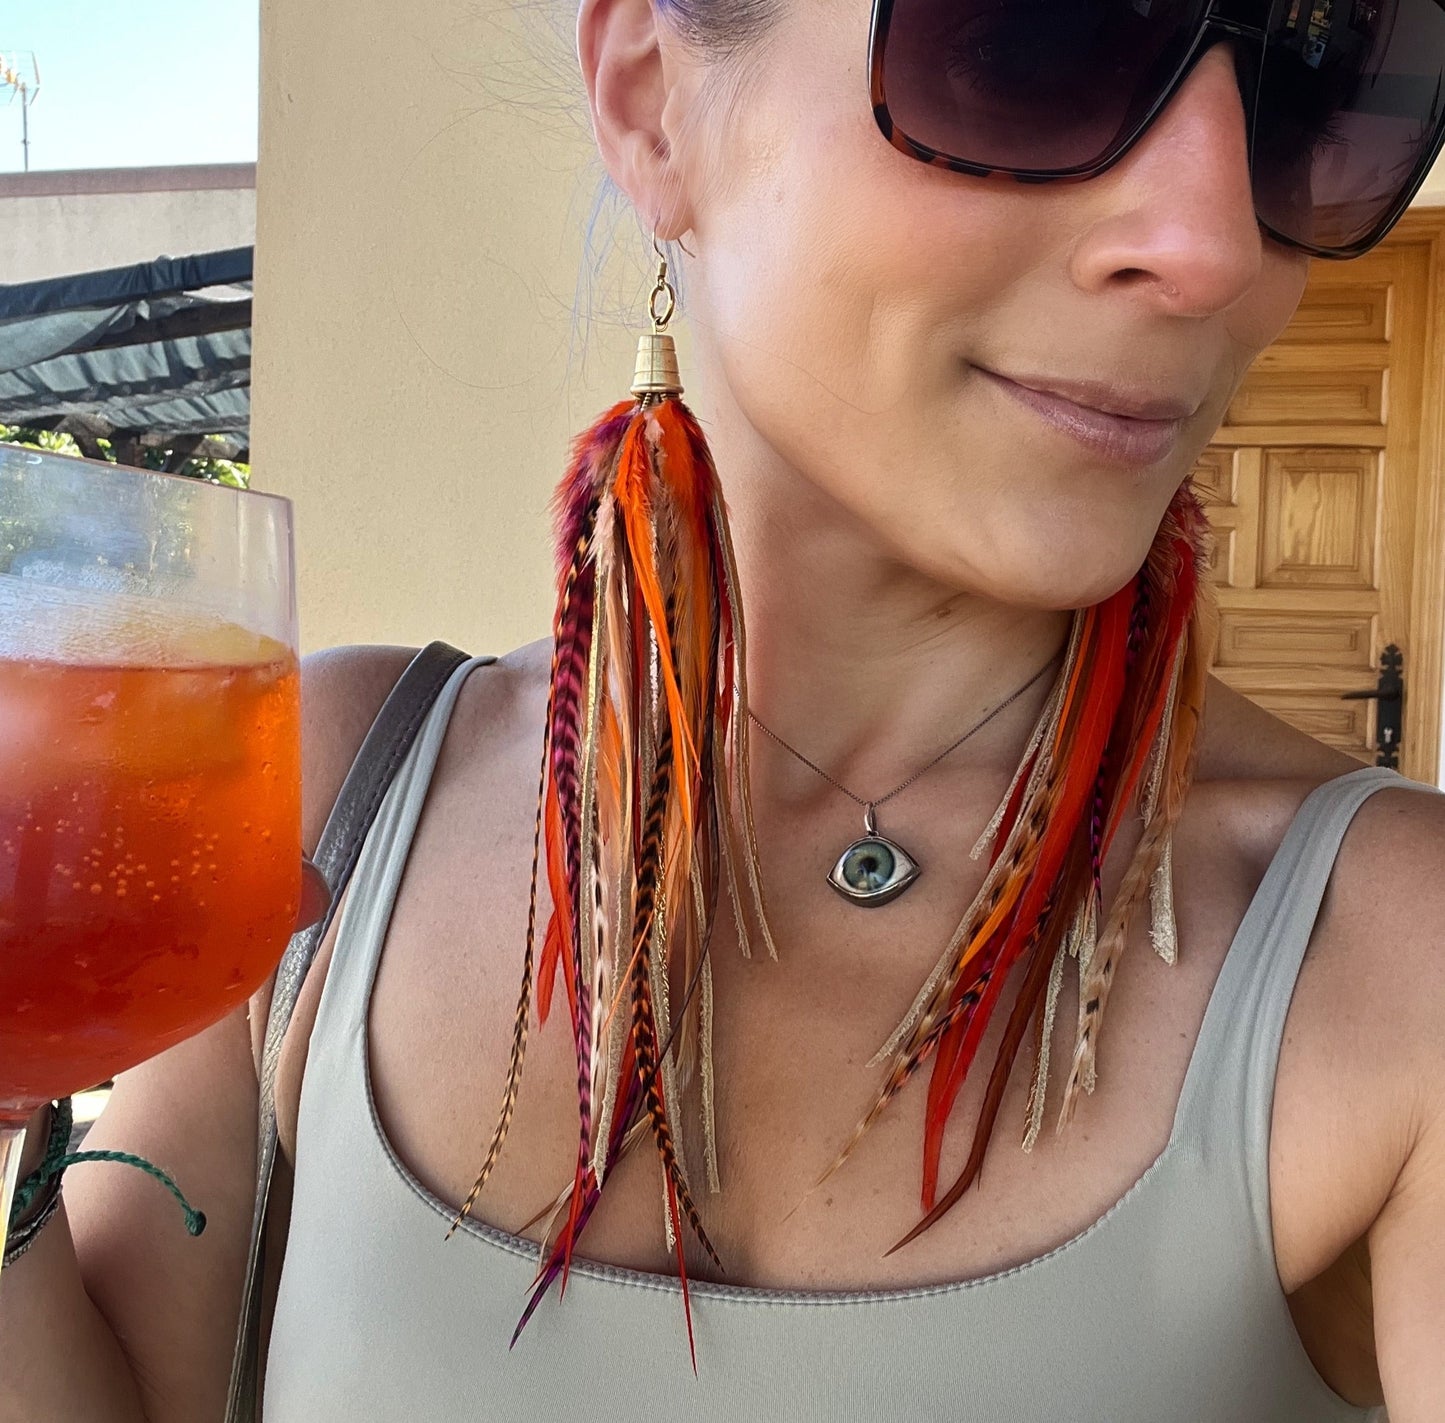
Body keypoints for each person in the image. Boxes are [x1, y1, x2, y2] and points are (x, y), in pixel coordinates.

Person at [4, 1, 1445, 1419]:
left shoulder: (1397, 957)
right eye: (1036, 41)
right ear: (650, 101)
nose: (1214, 252)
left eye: (1310, 82)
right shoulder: (326, 787)